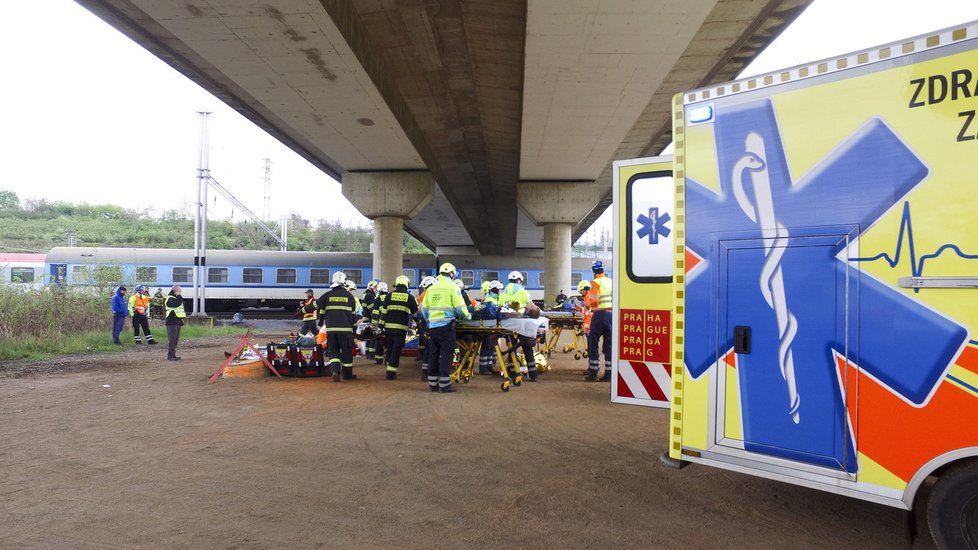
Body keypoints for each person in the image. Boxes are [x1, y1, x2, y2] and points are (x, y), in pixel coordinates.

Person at [420, 263, 471, 393]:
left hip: (433, 327)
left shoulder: (431, 288)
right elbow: (460, 308)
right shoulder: (453, 287)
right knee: (446, 355)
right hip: (447, 326)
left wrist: (429, 321)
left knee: (434, 354)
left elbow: (424, 309)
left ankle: (433, 383)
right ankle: (444, 385)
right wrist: (468, 316)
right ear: (452, 274)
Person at [317, 272, 357, 381]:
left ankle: (335, 372)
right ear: (344, 283)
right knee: (346, 352)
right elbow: (353, 316)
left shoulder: (327, 295)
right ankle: (347, 375)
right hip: (346, 331)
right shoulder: (350, 297)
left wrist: (302, 311)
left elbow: (317, 306)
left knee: (333, 351)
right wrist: (354, 330)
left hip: (331, 330)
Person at [379, 275, 419, 380]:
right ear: (406, 285)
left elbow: (383, 313)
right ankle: (390, 373)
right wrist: (420, 325)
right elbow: (415, 315)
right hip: (400, 330)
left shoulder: (389, 296)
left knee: (390, 348)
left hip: (388, 329)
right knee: (396, 350)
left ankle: (388, 363)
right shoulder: (409, 298)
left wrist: (380, 326)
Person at [584, 261, 613, 382]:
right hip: (611, 315)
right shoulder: (611, 281)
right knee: (609, 344)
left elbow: (594, 301)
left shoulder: (595, 283)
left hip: (599, 314)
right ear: (603, 270)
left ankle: (594, 372)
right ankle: (609, 373)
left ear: (593, 271)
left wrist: (586, 303)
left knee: (593, 342)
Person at [476, 280, 503, 375]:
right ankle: (484, 368)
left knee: (489, 346)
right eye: (499, 290)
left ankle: (488, 366)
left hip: (491, 326)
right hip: (488, 327)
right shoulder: (490, 300)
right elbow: (493, 313)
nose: (500, 291)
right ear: (495, 290)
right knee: (487, 346)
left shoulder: (492, 299)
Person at [416, 275, 436, 380]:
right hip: (431, 325)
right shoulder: (430, 294)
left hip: (426, 325)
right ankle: (429, 373)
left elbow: (420, 312)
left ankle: (425, 373)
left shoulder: (423, 295)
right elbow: (422, 313)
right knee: (432, 350)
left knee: (428, 350)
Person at [164, 285, 186, 361]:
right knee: (172, 340)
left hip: (177, 321)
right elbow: (176, 304)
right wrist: (179, 295)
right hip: (171, 321)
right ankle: (170, 356)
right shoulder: (170, 298)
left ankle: (173, 355)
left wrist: (181, 320)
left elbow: (179, 307)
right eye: (179, 290)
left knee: (175, 340)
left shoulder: (175, 298)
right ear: (175, 291)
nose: (181, 292)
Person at [371, 281, 389, 364]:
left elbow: (375, 313)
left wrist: (375, 326)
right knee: (389, 341)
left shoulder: (377, 299)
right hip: (390, 324)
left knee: (379, 341)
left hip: (380, 324)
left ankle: (379, 359)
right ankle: (388, 358)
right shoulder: (390, 297)